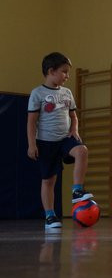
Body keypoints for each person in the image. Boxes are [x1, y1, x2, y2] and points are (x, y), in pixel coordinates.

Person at [27, 52, 93, 229]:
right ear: (51, 71)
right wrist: (32, 144)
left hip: (65, 138)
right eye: (64, 72)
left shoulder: (67, 93)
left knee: (82, 150)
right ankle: (50, 216)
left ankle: (77, 190)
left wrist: (74, 129)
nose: (67, 76)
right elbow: (31, 122)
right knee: (49, 180)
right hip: (46, 142)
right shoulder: (37, 93)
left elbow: (74, 116)